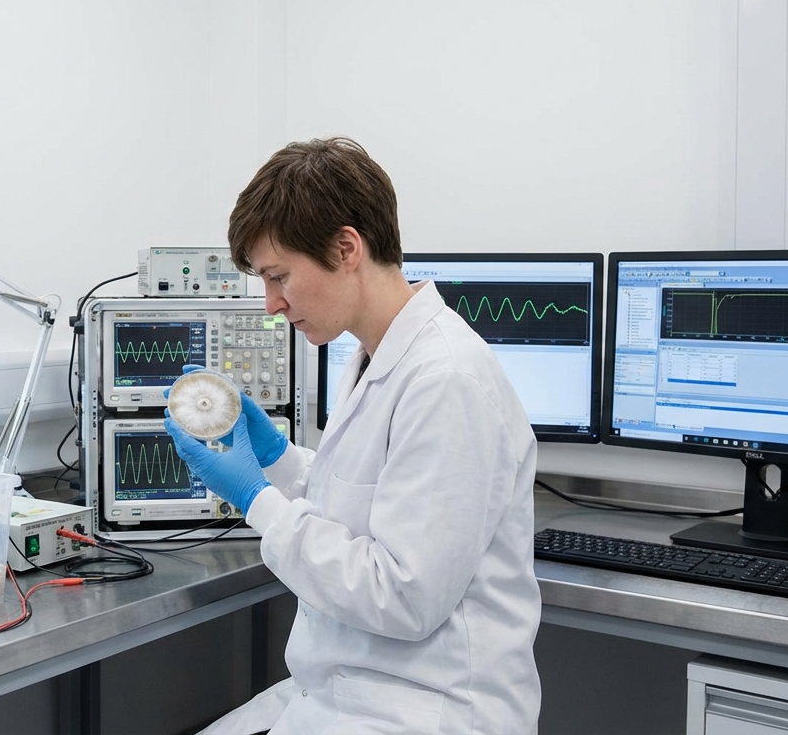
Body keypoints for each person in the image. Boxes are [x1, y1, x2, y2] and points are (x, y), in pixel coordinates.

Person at [163, 137, 542, 735]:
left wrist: (257, 500)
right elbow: (365, 503)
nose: (271, 304)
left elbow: (404, 597)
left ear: (346, 248)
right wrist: (279, 461)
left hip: (423, 709)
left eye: (279, 276)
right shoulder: (372, 354)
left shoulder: (446, 380)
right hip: (349, 692)